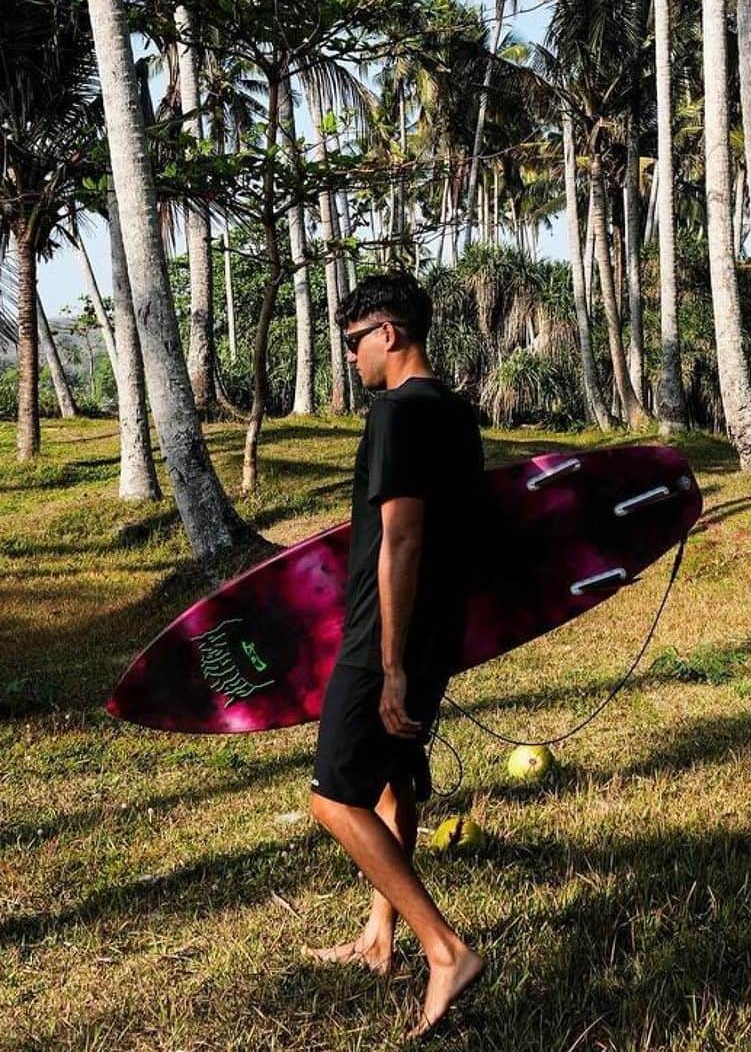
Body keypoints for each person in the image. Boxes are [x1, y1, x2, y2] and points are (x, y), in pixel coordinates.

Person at [305, 272, 486, 1040]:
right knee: (391, 780)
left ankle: (443, 947)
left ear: (390, 334)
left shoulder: (397, 414)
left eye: (354, 341)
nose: (351, 357)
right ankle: (380, 935)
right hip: (437, 629)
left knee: (332, 794)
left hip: (388, 636)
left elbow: (402, 538)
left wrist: (389, 663)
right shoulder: (456, 413)